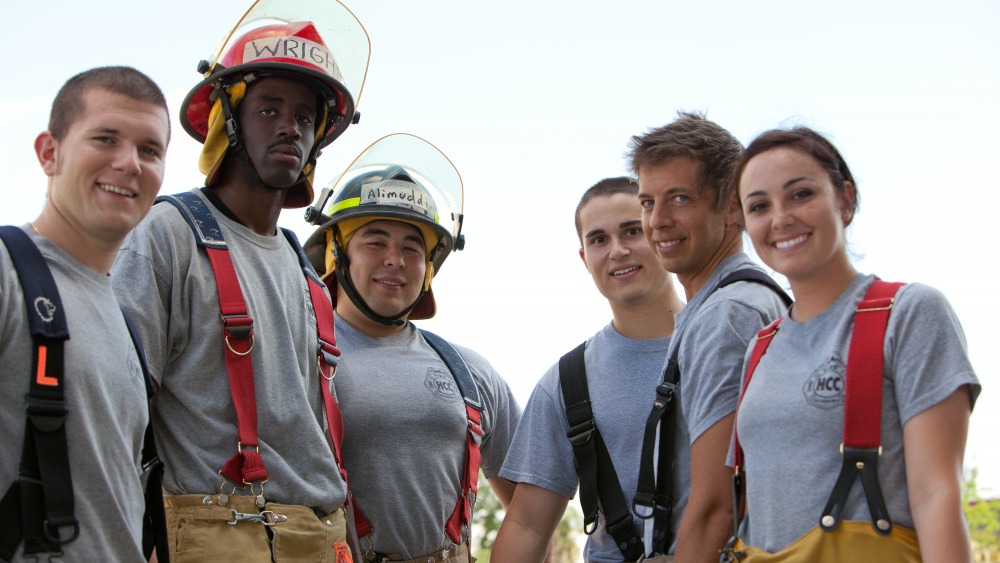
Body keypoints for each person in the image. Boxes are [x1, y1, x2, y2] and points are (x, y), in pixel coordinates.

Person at [110, 6, 370, 561]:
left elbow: (317, 433)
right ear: (226, 120)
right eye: (268, 109)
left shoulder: (307, 272)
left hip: (321, 536)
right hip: (220, 533)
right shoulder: (169, 236)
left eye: (305, 117)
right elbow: (116, 410)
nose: (290, 127)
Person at [726, 126, 980, 561]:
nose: (781, 218)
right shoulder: (760, 348)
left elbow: (936, 493)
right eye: (759, 206)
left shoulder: (909, 313)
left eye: (800, 194)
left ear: (846, 199)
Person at [303, 133, 521, 563]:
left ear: (428, 269)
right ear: (336, 253)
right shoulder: (297, 356)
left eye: (411, 247)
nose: (395, 259)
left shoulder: (469, 372)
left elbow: (532, 507)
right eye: (375, 241)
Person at [0, 66, 169, 561]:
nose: (129, 163)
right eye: (105, 139)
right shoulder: (8, 275)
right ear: (49, 153)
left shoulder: (126, 321)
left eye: (149, 150)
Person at [491, 177, 686, 562]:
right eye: (599, 239)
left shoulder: (731, 339)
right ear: (585, 259)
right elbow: (527, 525)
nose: (618, 250)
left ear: (662, 233)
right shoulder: (565, 383)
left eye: (632, 231)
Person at [628, 112, 789, 562]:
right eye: (647, 202)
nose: (658, 220)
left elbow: (718, 505)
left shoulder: (729, 315)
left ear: (732, 206)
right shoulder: (735, 303)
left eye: (680, 199)